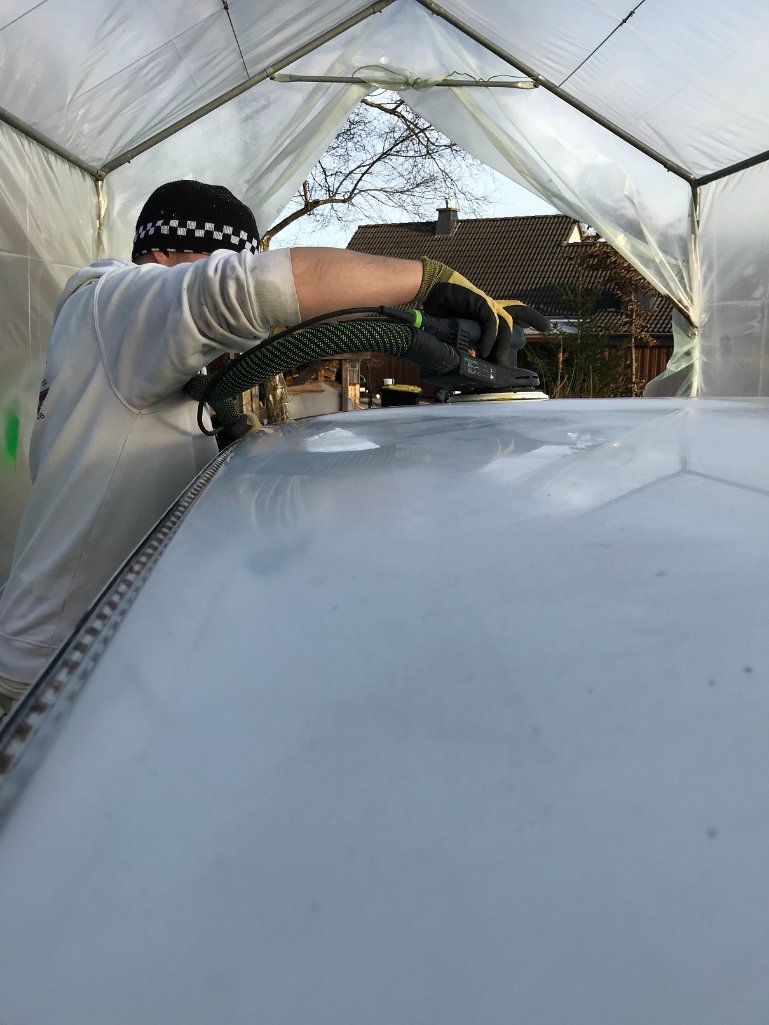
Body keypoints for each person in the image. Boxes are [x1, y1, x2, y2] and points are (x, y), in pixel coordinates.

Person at [0, 179, 513, 719]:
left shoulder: (143, 351)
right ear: (167, 252)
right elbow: (250, 289)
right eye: (222, 261)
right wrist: (426, 281)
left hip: (104, 652)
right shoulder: (115, 301)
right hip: (55, 671)